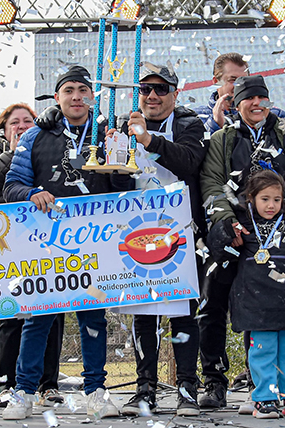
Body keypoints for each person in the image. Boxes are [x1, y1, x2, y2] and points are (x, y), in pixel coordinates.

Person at [2, 65, 128, 420]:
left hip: (94, 242)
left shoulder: (108, 133)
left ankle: (96, 392)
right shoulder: (35, 136)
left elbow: (124, 188)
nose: (76, 97)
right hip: (47, 242)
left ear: (93, 96)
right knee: (38, 319)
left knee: (93, 319)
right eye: (69, 90)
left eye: (83, 90)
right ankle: (24, 391)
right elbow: (11, 185)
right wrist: (32, 193)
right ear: (57, 97)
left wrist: (120, 160)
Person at [199, 75, 285, 412]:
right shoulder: (223, 138)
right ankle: (222, 383)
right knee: (222, 306)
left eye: (262, 98)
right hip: (240, 239)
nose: (257, 104)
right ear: (237, 104)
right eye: (249, 98)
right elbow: (211, 181)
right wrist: (226, 221)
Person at [113, 64, 208, 417]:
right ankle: (145, 389)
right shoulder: (121, 125)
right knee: (143, 314)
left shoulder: (189, 124)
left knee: (183, 313)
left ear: (175, 94)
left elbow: (190, 162)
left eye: (161, 89)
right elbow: (113, 180)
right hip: (135, 230)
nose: (152, 96)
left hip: (181, 232)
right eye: (145, 89)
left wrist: (149, 140)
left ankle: (187, 389)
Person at [0, 102, 66, 408]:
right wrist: (14, 153)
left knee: (52, 311)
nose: (21, 126)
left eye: (27, 122)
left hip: (45, 241)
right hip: (7, 246)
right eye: (15, 122)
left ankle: (47, 384)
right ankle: (7, 383)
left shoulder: (45, 147)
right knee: (11, 316)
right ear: (3, 128)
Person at [208, 170, 285, 418]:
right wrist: (226, 230)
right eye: (265, 199)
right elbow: (217, 246)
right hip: (257, 301)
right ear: (251, 198)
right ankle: (264, 399)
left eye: (276, 199)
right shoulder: (242, 222)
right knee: (263, 350)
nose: (271, 205)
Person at [194, 52, 285, 133]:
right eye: (233, 80)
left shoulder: (274, 114)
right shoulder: (197, 118)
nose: (239, 86)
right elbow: (198, 147)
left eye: (244, 80)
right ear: (216, 82)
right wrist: (215, 125)